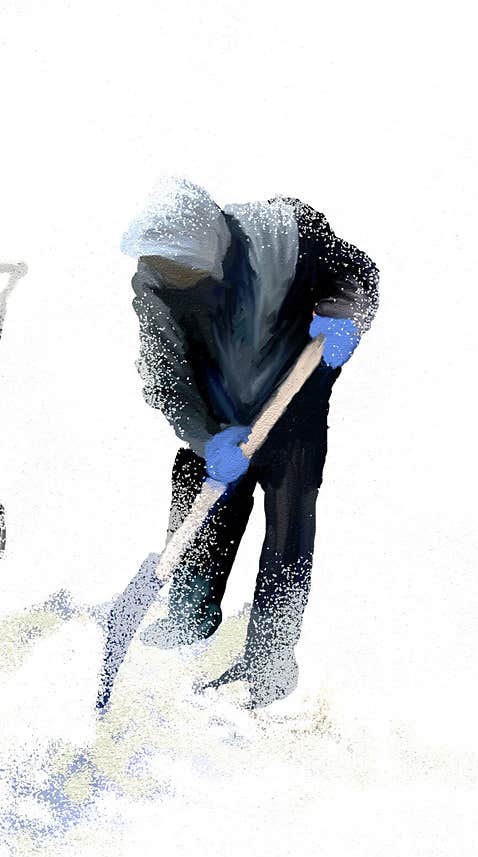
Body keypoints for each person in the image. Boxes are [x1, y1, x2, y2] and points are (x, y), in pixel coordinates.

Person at [121, 178, 379, 707]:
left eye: (181, 267)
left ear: (212, 248)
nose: (171, 275)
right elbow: (164, 379)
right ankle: (186, 621)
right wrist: (206, 436)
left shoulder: (285, 232)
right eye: (162, 266)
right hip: (218, 418)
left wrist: (346, 312)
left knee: (288, 525)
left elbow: (358, 272)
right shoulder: (154, 283)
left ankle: (270, 660)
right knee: (200, 504)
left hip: (292, 402)